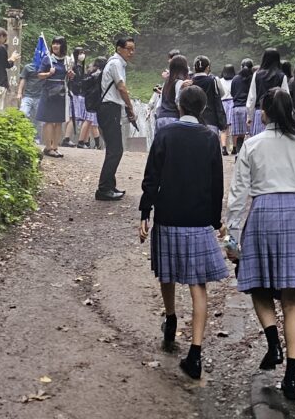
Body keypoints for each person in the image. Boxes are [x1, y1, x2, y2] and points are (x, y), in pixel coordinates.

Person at [225, 88, 295, 401]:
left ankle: (273, 343)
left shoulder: (252, 145)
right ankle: (293, 377)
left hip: (264, 212)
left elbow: (237, 193)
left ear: (265, 113)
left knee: (257, 285)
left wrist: (232, 233)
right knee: (293, 299)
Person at [139, 84, 228, 381]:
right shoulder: (210, 138)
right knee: (197, 284)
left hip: (169, 213)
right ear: (203, 109)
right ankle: (195, 352)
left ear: (179, 105)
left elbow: (151, 176)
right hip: (199, 217)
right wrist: (216, 220)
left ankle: (171, 317)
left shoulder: (165, 133)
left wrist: (145, 213)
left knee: (167, 272)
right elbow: (217, 184)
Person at [95, 34, 137, 201]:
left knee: (114, 149)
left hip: (110, 109)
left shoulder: (116, 63)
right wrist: (130, 106)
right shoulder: (116, 63)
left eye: (133, 49)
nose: (131, 52)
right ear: (119, 49)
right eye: (129, 49)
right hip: (109, 109)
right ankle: (104, 189)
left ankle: (109, 186)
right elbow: (121, 87)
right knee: (115, 150)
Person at [36, 37, 73, 157]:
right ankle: (48, 147)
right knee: (49, 120)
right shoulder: (48, 59)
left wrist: (71, 74)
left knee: (58, 121)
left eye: (58, 44)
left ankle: (55, 147)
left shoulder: (67, 60)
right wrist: (49, 73)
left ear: (63, 46)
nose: (55, 46)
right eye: (54, 43)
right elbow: (39, 75)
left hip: (62, 92)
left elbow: (69, 78)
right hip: (49, 92)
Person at [246, 48, 289, 136]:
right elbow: (286, 97)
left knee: (259, 142)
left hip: (261, 113)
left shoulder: (256, 75)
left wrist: (249, 116)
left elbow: (252, 97)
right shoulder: (281, 76)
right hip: (277, 114)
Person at [191, 57, 227, 136]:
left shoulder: (190, 82)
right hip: (211, 120)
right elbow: (221, 94)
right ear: (207, 68)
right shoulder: (213, 80)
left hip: (194, 121)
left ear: (194, 68)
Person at [155, 54, 190, 129]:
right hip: (173, 119)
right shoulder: (179, 82)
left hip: (161, 119)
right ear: (184, 68)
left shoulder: (166, 83)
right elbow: (178, 102)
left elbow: (159, 104)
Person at [230, 59, 253, 154]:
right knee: (250, 134)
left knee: (240, 135)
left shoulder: (235, 79)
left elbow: (232, 93)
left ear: (241, 67)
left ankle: (238, 155)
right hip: (248, 108)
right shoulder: (252, 78)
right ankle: (249, 155)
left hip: (237, 109)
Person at [17, 58, 43, 140]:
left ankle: (36, 138)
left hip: (40, 97)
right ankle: (22, 136)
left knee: (37, 120)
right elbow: (23, 79)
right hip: (27, 96)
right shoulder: (28, 67)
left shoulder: (46, 68)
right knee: (23, 114)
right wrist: (19, 92)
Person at [219, 64, 235, 156]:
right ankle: (234, 147)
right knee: (233, 127)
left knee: (224, 128)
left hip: (223, 103)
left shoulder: (220, 81)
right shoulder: (235, 80)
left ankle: (224, 148)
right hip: (233, 103)